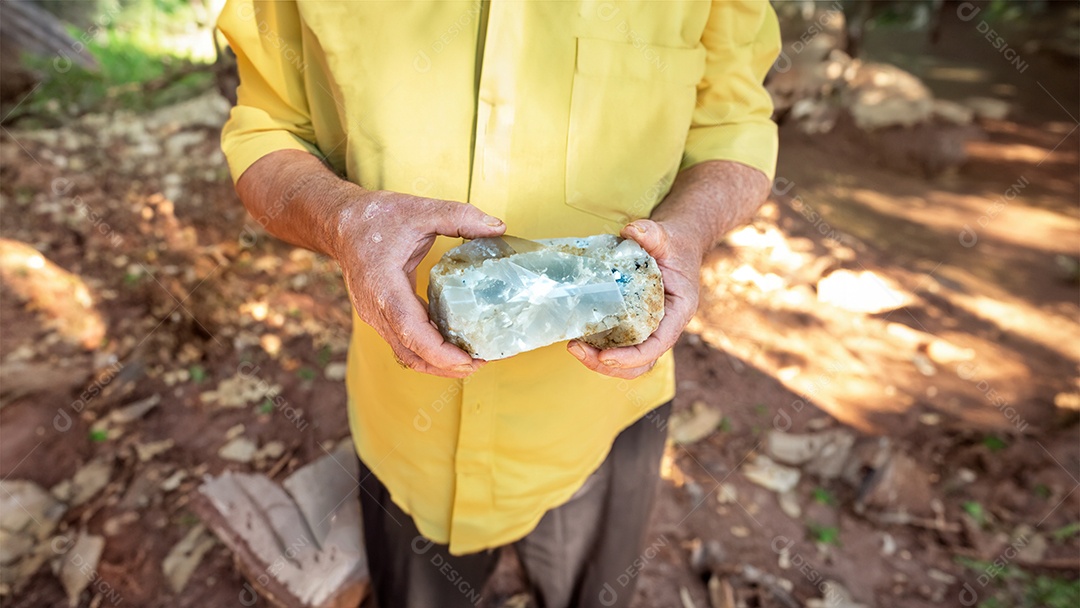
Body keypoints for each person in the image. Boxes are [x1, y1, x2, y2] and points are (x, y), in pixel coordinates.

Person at [218, 2, 779, 606]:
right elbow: (267, 131)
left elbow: (735, 127)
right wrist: (344, 219)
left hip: (599, 419)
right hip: (406, 431)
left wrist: (689, 229)